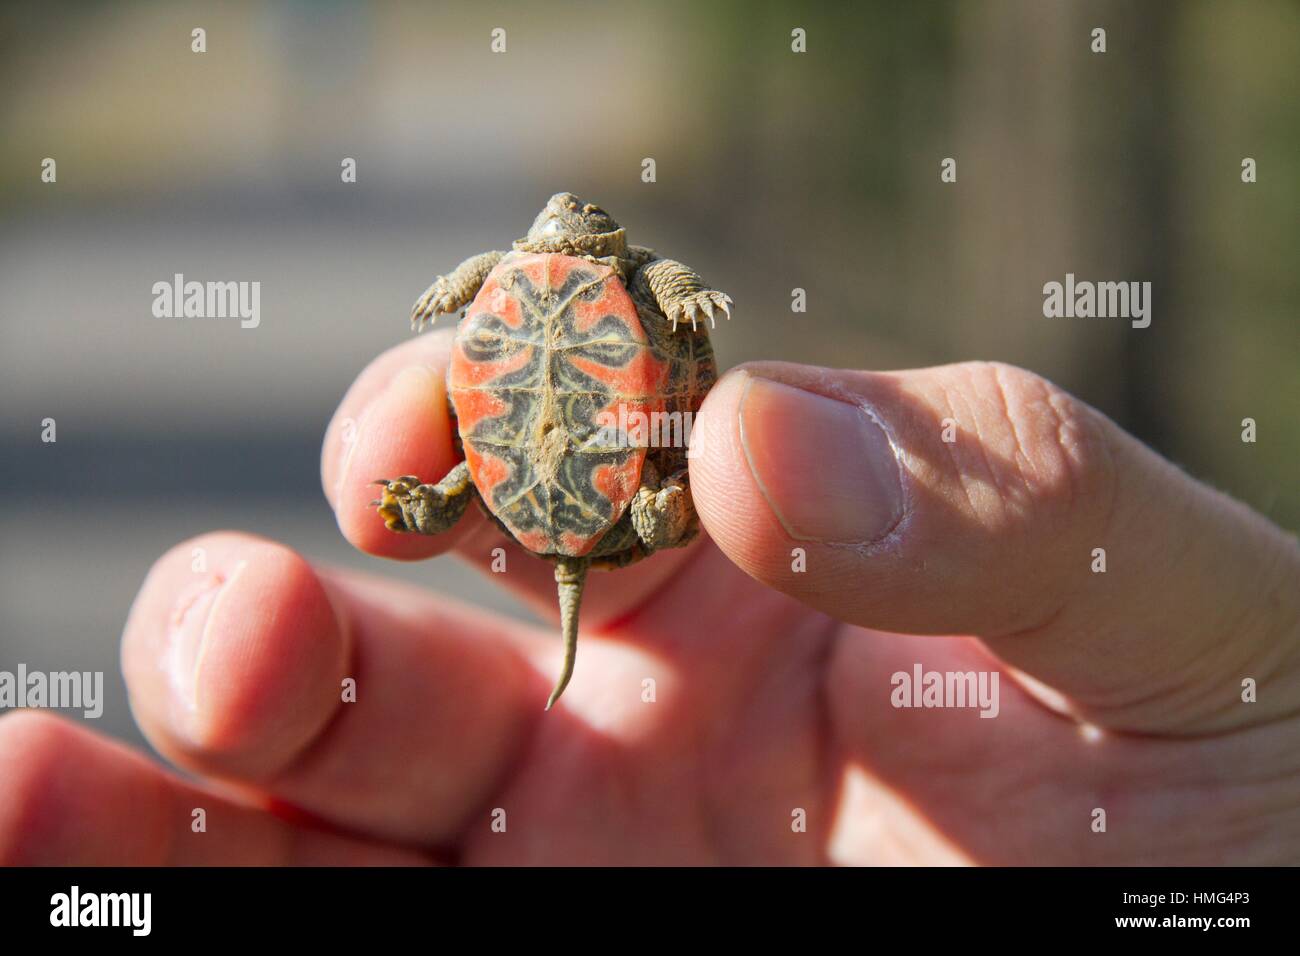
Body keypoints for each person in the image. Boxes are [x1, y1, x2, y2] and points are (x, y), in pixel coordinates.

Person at [2, 332, 1297, 864]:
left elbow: (666, 325)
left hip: (587, 476)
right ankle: (422, 498)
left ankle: (430, 499)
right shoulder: (549, 308)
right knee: (410, 464)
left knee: (437, 469)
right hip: (589, 472)